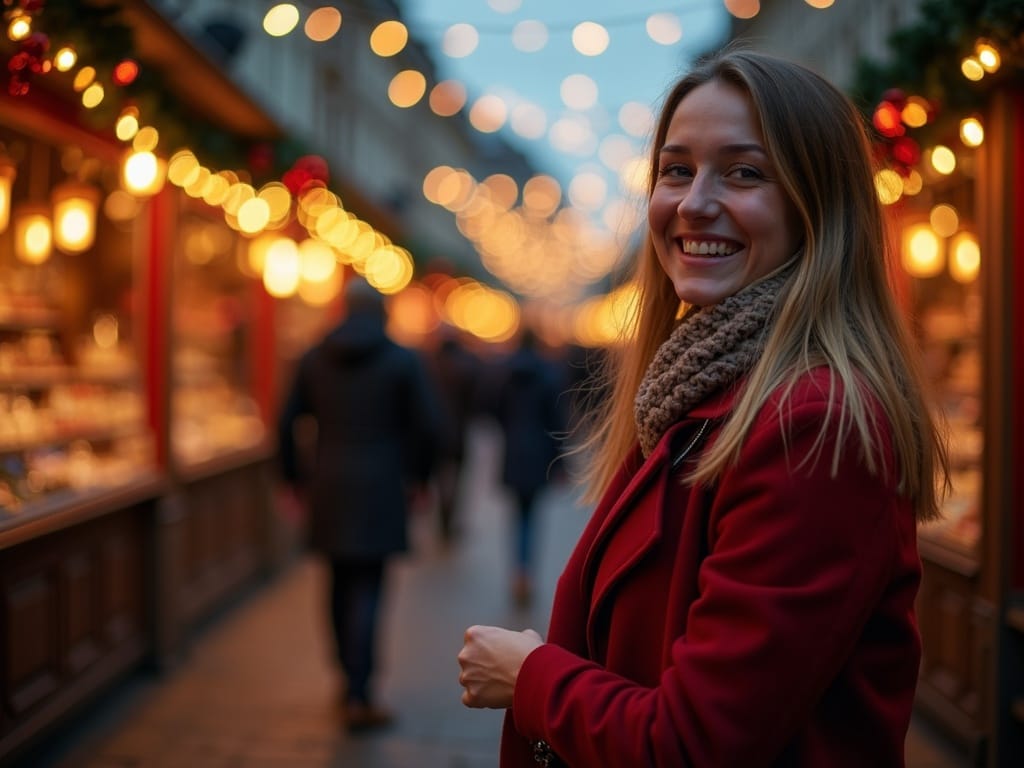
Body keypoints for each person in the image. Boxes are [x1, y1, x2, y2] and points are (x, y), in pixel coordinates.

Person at [457, 48, 950, 767]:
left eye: (744, 172)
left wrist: (530, 678)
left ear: (818, 205)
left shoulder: (813, 424)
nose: (693, 202)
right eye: (677, 169)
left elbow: (694, 744)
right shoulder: (696, 394)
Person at [277, 276, 440, 732]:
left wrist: (293, 480)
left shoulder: (314, 357)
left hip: (328, 484)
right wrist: (419, 478)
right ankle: (360, 691)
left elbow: (286, 421)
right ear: (382, 311)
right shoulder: (402, 360)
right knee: (369, 584)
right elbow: (429, 426)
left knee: (336, 580)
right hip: (382, 486)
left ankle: (345, 675)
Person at [489, 328, 567, 607]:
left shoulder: (504, 374)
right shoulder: (548, 375)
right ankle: (527, 572)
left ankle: (517, 571)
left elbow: (494, 410)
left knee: (516, 515)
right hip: (539, 454)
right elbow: (557, 423)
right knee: (532, 516)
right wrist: (562, 463)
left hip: (513, 452)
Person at [425, 325, 481, 544]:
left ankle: (443, 520)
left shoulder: (429, 365)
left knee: (440, 479)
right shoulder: (466, 366)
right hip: (458, 431)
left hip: (436, 432)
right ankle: (451, 518)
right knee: (457, 479)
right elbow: (475, 399)